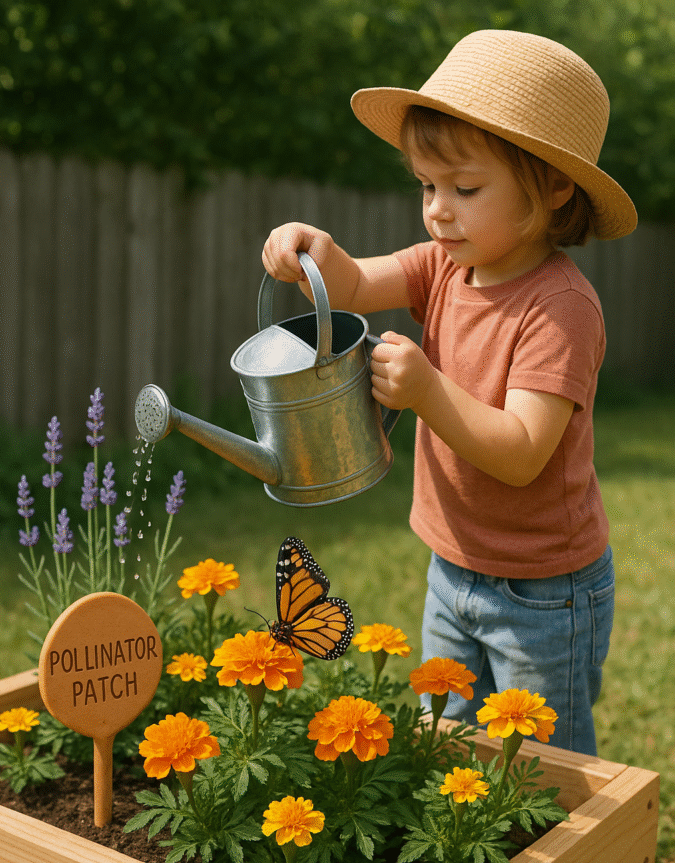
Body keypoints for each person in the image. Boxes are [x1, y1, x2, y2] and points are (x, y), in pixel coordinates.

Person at [261, 29, 637, 755]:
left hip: (542, 592)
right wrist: (306, 247)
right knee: (445, 741)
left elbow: (523, 452)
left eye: (463, 189)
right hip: (451, 565)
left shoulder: (558, 306)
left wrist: (428, 391)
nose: (437, 209)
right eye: (426, 186)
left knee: (541, 763)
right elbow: (351, 285)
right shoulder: (442, 266)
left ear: (553, 186)